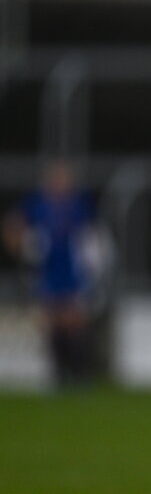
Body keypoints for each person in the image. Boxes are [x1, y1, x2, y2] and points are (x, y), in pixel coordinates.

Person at [2, 159, 100, 388]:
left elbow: (93, 234)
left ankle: (79, 374)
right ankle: (57, 374)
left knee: (74, 320)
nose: (60, 184)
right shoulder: (36, 203)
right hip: (47, 269)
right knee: (52, 320)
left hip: (73, 269)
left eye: (64, 179)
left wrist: (93, 264)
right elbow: (12, 225)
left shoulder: (79, 204)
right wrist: (21, 247)